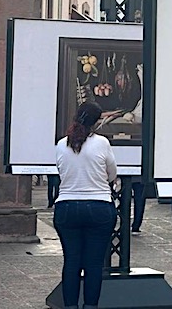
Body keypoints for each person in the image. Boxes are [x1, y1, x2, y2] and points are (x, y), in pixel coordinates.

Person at [54, 101, 117, 309]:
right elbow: (112, 174)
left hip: (67, 206)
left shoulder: (62, 144)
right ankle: (90, 306)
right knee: (93, 264)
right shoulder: (102, 143)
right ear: (96, 122)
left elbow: (62, 172)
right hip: (98, 205)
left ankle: (70, 306)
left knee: (71, 262)